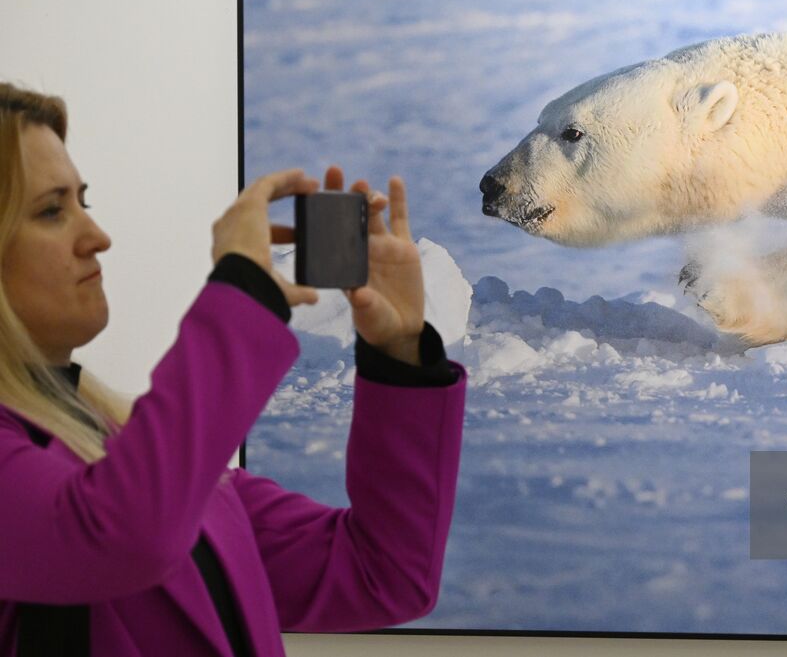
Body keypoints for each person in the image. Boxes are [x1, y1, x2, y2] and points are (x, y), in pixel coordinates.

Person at [0, 82, 467, 656]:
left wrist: (399, 355)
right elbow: (122, 535)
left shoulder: (132, 451)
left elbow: (385, 574)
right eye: (52, 210)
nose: (97, 236)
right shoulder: (118, 480)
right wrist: (241, 292)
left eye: (83, 203)